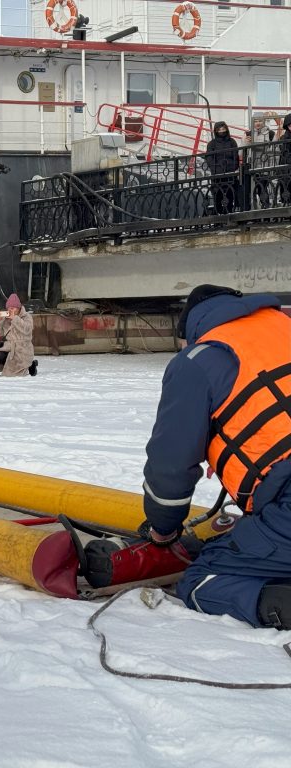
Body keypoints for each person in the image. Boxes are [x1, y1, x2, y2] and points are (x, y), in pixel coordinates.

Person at [138, 284, 291, 629]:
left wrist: (163, 530)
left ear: (190, 329)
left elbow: (171, 465)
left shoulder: (199, 359)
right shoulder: (283, 329)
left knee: (201, 580)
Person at [0, 293, 37, 377]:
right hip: (10, 346)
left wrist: (15, 318)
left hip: (23, 347)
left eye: (13, 308)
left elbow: (27, 330)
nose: (11, 310)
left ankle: (30, 365)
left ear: (19, 308)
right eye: (9, 308)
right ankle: (10, 366)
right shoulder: (5, 318)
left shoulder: (26, 317)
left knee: (17, 369)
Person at [204, 121, 240, 215]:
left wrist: (231, 168)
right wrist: (217, 169)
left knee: (230, 194)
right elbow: (209, 158)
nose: (221, 131)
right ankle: (218, 215)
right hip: (217, 174)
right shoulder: (212, 144)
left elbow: (235, 157)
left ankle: (229, 214)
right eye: (219, 129)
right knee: (217, 196)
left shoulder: (232, 142)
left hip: (230, 173)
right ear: (216, 131)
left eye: (223, 129)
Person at [245, 114, 277, 209]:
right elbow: (241, 151)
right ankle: (262, 206)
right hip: (253, 164)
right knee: (258, 187)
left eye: (260, 121)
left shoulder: (270, 133)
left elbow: (276, 150)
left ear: (264, 121)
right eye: (255, 121)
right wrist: (246, 142)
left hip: (265, 163)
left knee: (263, 186)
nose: (258, 123)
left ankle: (265, 206)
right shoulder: (249, 134)